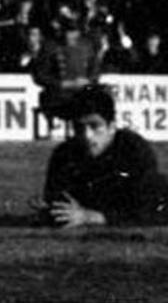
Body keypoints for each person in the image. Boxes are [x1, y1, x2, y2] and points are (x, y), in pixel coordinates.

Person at [40, 84, 168, 228]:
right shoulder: (64, 154)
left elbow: (148, 211)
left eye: (95, 126)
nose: (87, 135)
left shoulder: (134, 152)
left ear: (111, 127)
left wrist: (94, 217)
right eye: (79, 128)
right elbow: (57, 203)